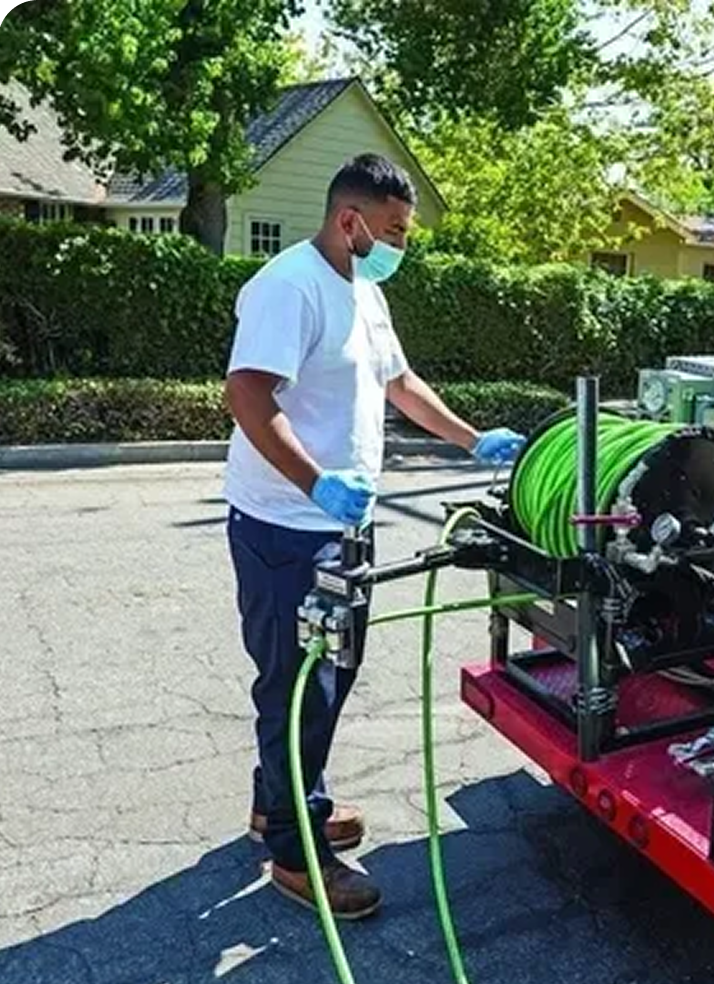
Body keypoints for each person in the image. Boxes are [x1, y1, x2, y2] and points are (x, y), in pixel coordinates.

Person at [222, 153, 525, 920]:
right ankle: (296, 851)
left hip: (344, 524)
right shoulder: (290, 286)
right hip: (287, 527)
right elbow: (246, 393)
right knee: (299, 684)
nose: (400, 244)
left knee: (334, 670)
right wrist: (314, 482)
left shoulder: (363, 291)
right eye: (393, 230)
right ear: (349, 220)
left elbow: (399, 384)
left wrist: (472, 438)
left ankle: (278, 803)